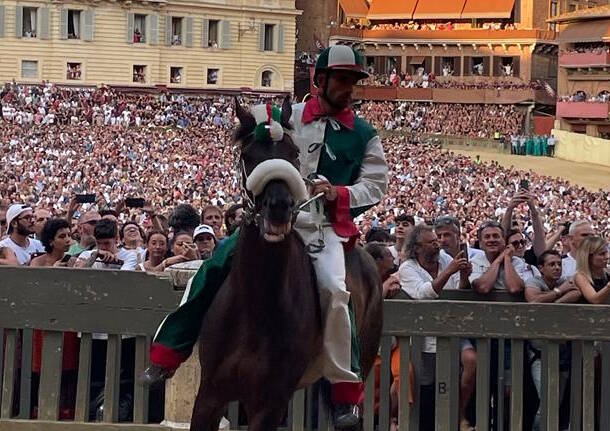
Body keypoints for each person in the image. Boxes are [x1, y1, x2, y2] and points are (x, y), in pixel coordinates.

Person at [142, 45, 388, 428]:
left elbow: (374, 186)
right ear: (319, 81)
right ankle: (167, 354)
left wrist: (339, 193)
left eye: (353, 81)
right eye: (343, 80)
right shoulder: (286, 116)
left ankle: (344, 393)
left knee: (336, 292)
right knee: (213, 266)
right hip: (269, 217)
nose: (350, 88)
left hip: (321, 227)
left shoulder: (364, 134)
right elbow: (252, 133)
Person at [398, 225, 474, 431]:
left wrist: (465, 276)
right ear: (417, 248)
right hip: (424, 338)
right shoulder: (407, 268)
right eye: (431, 242)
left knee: (469, 362)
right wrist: (449, 271)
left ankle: (457, 416)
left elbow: (459, 289)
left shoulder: (445, 260)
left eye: (436, 240)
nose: (437, 244)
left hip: (452, 329)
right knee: (427, 386)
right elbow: (423, 294)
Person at [524, 250, 581, 430]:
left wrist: (550, 309)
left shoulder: (565, 281)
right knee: (549, 398)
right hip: (539, 353)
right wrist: (558, 292)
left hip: (562, 352)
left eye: (558, 264)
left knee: (557, 401)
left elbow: (576, 293)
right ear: (541, 268)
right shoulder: (535, 281)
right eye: (552, 264)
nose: (557, 267)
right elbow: (533, 302)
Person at [29, 218, 79, 419]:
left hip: (68, 322)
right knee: (41, 368)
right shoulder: (38, 262)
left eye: (69, 235)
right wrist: (54, 272)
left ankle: (65, 411)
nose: (68, 240)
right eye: (62, 236)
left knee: (68, 368)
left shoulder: (75, 262)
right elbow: (34, 290)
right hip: (42, 323)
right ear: (51, 241)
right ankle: (39, 409)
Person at [469, 221, 531, 294]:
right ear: (480, 244)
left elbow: (515, 288)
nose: (492, 240)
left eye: (496, 236)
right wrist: (499, 260)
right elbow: (483, 287)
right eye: (487, 237)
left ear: (504, 241)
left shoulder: (517, 262)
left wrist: (507, 259)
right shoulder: (475, 262)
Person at [74, 219, 139, 270]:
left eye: (106, 243)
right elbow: (77, 277)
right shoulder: (86, 255)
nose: (102, 247)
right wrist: (93, 257)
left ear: (116, 239)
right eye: (98, 243)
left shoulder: (129, 256)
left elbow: (122, 279)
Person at [573, 236, 610, 304]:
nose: (607, 257)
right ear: (588, 257)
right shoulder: (580, 276)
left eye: (606, 253)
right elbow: (594, 299)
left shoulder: (607, 272)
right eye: (602, 254)